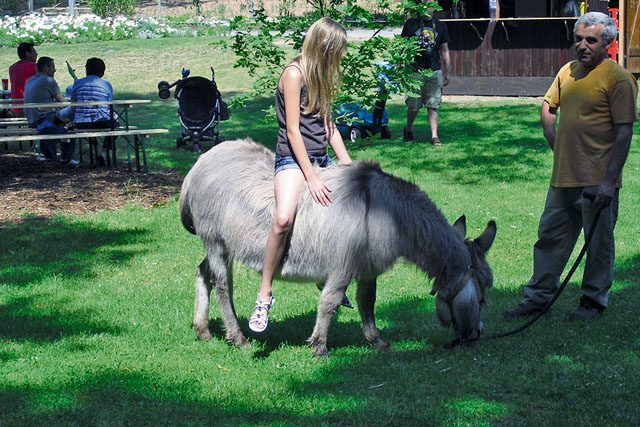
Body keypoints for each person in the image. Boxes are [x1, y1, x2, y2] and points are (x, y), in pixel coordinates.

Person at [505, 12, 638, 320]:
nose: (582, 45)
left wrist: (608, 182)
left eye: (590, 40)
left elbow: (624, 132)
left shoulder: (618, 79)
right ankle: (537, 298)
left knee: (598, 245)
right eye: (578, 39)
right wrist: (552, 136)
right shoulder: (568, 71)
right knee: (550, 238)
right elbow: (549, 105)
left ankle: (593, 301)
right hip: (563, 176)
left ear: (607, 42)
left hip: (597, 180)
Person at [249, 17, 353, 333]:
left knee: (344, 215)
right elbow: (293, 132)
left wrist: (348, 164)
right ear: (323, 48)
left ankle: (325, 276)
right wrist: (312, 178)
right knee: (283, 218)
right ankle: (264, 295)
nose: (337, 60)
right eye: (336, 53)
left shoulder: (322, 76)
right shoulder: (293, 75)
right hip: (293, 160)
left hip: (320, 157)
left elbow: (328, 127)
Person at [401, 3, 450, 145]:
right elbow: (402, 47)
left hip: (434, 71)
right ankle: (408, 129)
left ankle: (434, 136)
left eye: (430, 5)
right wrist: (401, 67)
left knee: (433, 104)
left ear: (434, 7)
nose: (427, 8)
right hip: (415, 70)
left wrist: (448, 71)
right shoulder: (411, 24)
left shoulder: (440, 26)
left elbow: (445, 50)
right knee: (414, 105)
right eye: (424, 4)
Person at [24, 56, 77, 166]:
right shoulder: (49, 80)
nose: (55, 70)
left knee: (66, 121)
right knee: (74, 114)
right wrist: (74, 104)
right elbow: (62, 103)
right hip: (45, 119)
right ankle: (66, 157)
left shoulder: (30, 80)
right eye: (53, 67)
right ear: (46, 68)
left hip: (32, 120)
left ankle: (59, 155)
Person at [68, 57, 116, 166]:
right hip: (102, 121)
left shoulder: (77, 83)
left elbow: (73, 106)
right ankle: (103, 153)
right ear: (102, 71)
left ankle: (91, 149)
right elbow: (109, 105)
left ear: (87, 70)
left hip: (81, 123)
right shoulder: (106, 84)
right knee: (115, 126)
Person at [8, 42, 37, 115]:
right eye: (34, 52)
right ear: (27, 54)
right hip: (30, 108)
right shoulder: (34, 67)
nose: (36, 54)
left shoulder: (12, 68)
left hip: (15, 108)